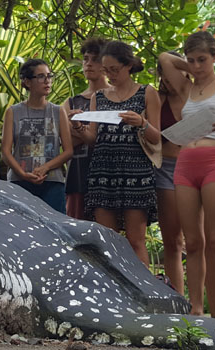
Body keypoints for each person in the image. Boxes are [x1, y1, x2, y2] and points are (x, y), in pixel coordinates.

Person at [158, 31, 215, 319]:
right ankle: (196, 308)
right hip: (186, 162)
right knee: (192, 241)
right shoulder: (186, 87)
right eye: (192, 60)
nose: (197, 66)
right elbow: (164, 59)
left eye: (203, 60)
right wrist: (188, 66)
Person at [79, 41, 161, 266]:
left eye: (114, 69)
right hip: (103, 171)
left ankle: (145, 295)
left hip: (136, 173)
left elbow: (157, 137)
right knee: (108, 241)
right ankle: (114, 296)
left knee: (136, 241)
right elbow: (94, 139)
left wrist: (142, 122)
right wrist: (80, 128)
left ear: (129, 66)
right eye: (106, 70)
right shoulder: (99, 97)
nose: (110, 75)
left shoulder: (147, 92)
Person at [2, 59, 72, 213]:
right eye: (41, 76)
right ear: (27, 82)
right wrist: (22, 174)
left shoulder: (58, 111)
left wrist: (46, 168)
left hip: (53, 181)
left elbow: (68, 151)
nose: (47, 81)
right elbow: (6, 152)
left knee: (55, 230)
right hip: (19, 182)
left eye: (49, 76)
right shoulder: (13, 112)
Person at [62, 38, 109, 220]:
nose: (89, 64)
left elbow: (108, 137)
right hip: (77, 175)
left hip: (108, 175)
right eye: (86, 59)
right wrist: (94, 130)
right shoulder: (72, 102)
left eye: (95, 59)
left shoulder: (116, 97)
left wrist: (78, 127)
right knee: (76, 233)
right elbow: (65, 139)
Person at [155, 51, 187, 295]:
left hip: (195, 165)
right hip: (165, 167)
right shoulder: (156, 98)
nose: (168, 81)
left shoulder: (197, 94)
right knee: (173, 241)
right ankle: (177, 298)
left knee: (199, 241)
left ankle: (203, 302)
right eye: (164, 76)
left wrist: (193, 67)